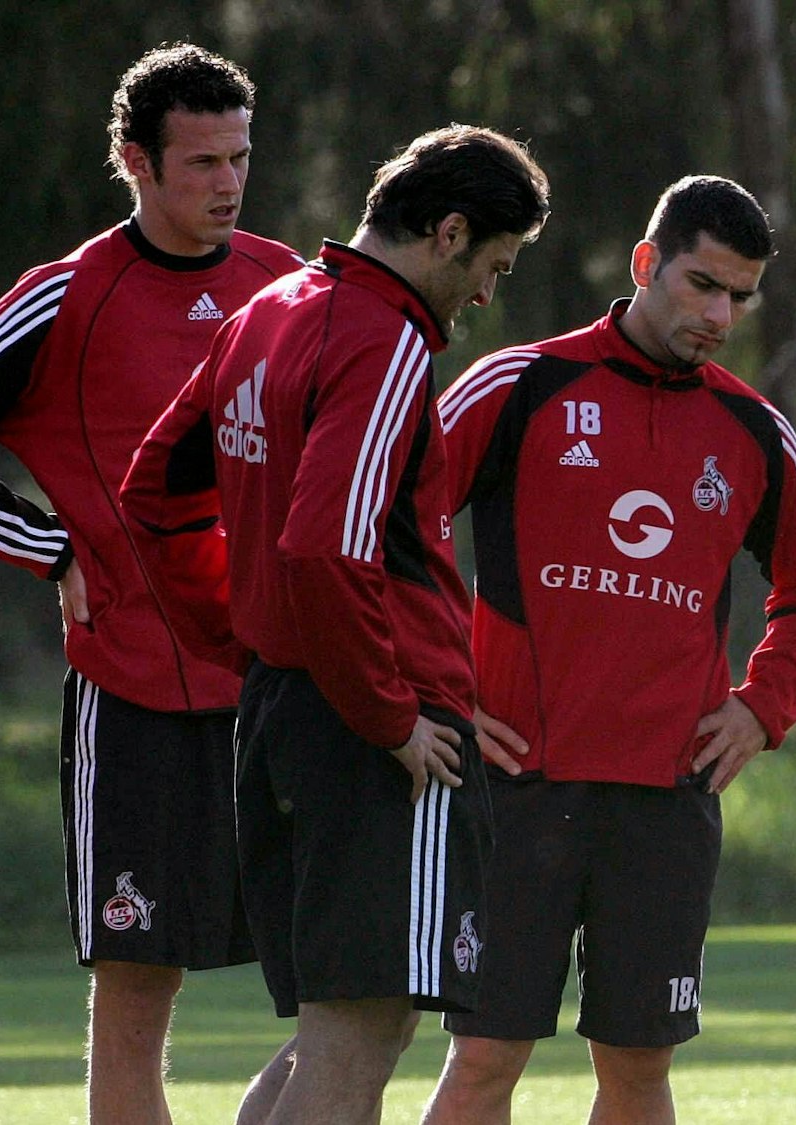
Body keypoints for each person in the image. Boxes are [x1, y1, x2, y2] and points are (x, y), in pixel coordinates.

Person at [0, 43, 304, 1123]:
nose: (226, 181)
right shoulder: (65, 296)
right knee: (136, 995)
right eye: (200, 161)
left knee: (354, 984)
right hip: (134, 697)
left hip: (286, 690)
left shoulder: (289, 288)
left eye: (240, 157)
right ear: (135, 162)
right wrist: (45, 546)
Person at [121, 123, 550, 1125]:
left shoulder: (267, 310)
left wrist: (242, 639)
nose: (489, 292)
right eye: (494, 264)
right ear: (447, 233)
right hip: (371, 727)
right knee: (358, 1034)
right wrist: (389, 716)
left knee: (346, 1023)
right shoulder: (383, 336)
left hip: (286, 705)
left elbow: (153, 490)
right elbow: (327, 547)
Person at [417, 175, 796, 1125]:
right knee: (487, 1058)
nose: (719, 314)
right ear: (646, 264)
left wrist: (761, 704)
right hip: (516, 787)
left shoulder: (751, 430)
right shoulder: (522, 384)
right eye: (701, 284)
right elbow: (393, 533)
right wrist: (433, 688)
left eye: (738, 296)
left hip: (665, 800)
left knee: (640, 1069)